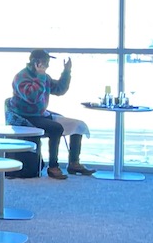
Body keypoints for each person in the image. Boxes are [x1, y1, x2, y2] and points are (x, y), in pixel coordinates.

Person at [7, 49, 94, 178]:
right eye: (45, 62)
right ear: (36, 62)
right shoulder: (21, 77)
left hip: (41, 114)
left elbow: (59, 90)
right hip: (25, 117)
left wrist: (66, 72)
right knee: (56, 128)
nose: (47, 65)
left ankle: (74, 163)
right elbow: (32, 97)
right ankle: (53, 167)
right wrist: (40, 76)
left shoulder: (45, 77)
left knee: (78, 125)